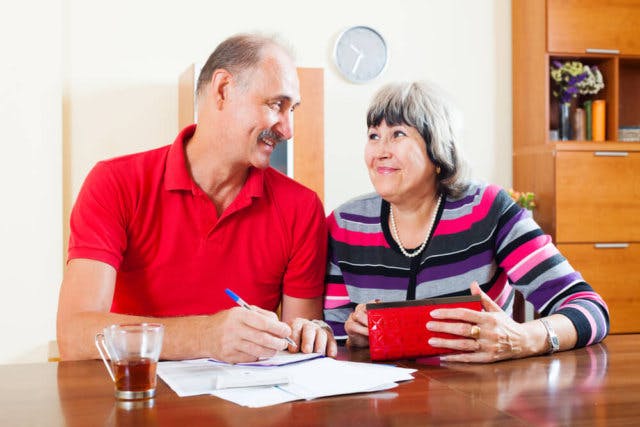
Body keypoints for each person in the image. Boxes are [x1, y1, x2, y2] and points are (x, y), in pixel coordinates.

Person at [57, 33, 336, 363]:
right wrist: (206, 336)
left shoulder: (302, 208)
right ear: (223, 90)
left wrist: (311, 335)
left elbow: (294, 348)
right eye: (276, 105)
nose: (288, 129)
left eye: (293, 110)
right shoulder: (114, 183)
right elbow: (75, 335)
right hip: (137, 400)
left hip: (248, 407)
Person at [324, 81, 609, 362]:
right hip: (386, 402)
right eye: (374, 136)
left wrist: (525, 338)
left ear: (437, 151)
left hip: (480, 396)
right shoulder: (346, 225)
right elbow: (332, 335)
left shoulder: (487, 210)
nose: (380, 151)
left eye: (397, 134)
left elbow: (590, 310)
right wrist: (354, 337)